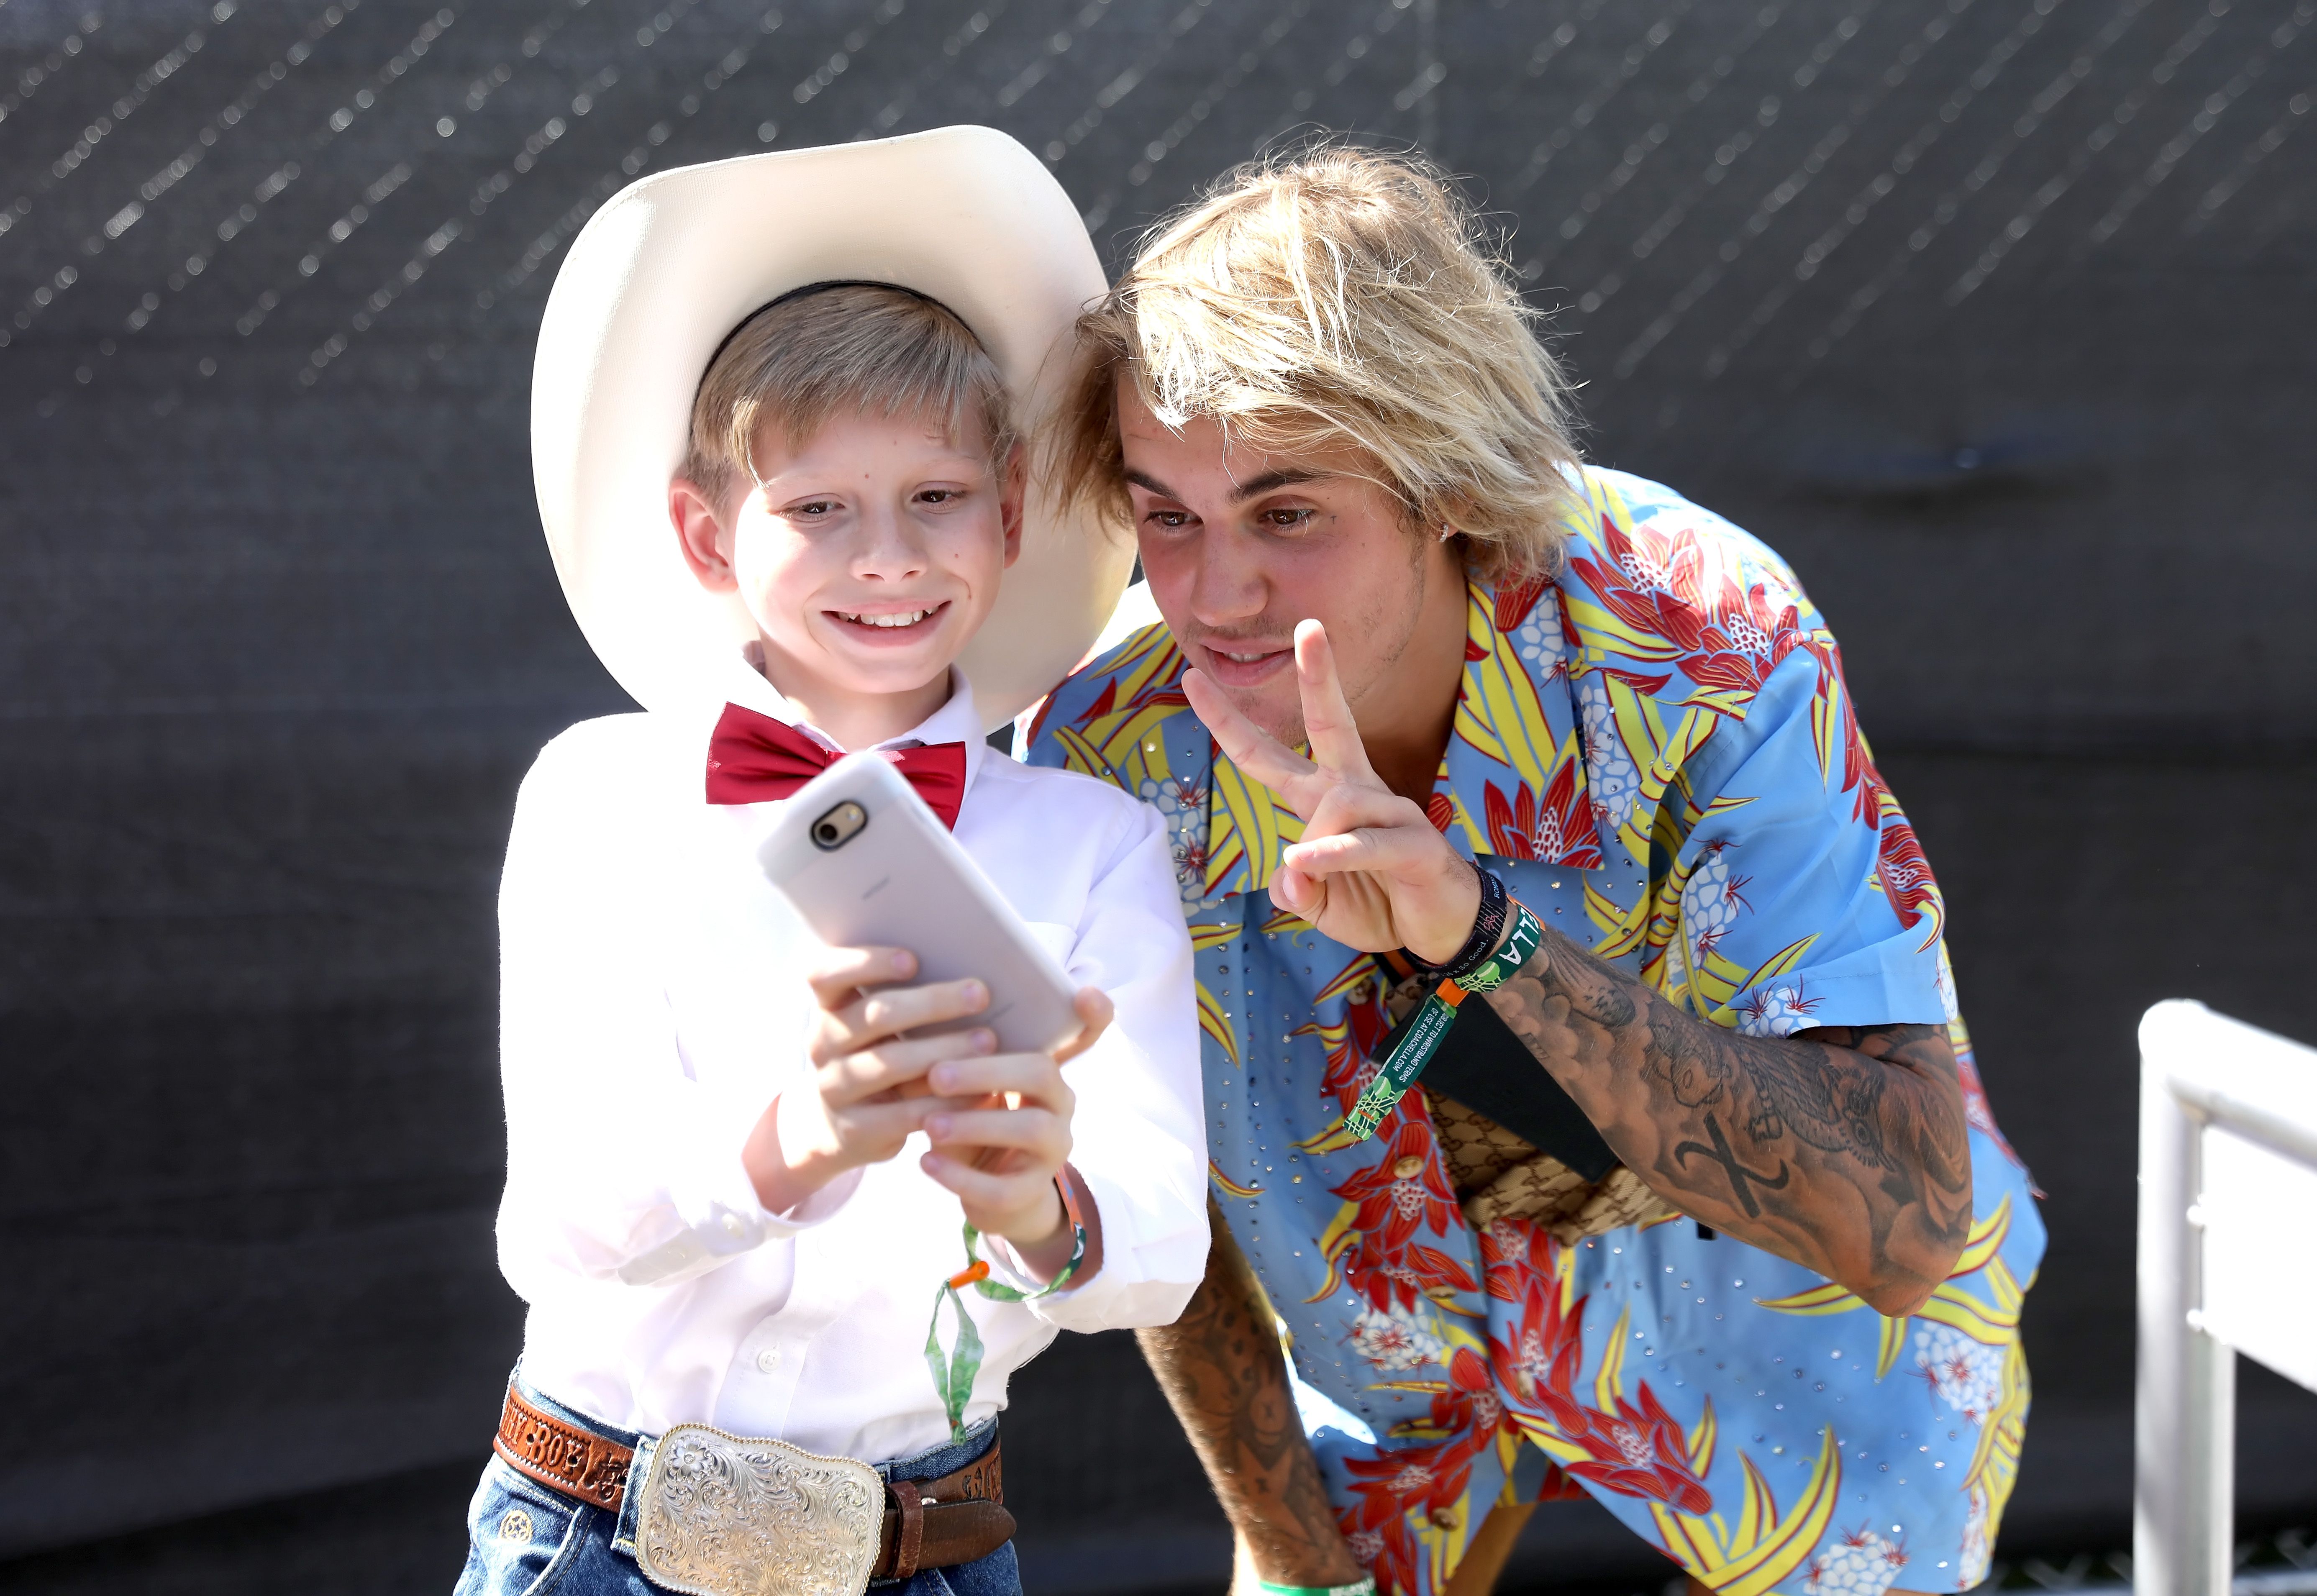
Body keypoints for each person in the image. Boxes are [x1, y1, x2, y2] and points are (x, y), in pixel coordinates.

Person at [1025, 145, 2045, 1596]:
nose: (1212, 594)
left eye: (1287, 512)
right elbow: (1154, 1196)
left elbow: (1899, 1220)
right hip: (1391, 1387)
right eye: (1166, 515)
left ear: (1445, 479)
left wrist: (1476, 938)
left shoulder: (1700, 644)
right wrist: (1296, 1556)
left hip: (1791, 1364)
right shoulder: (1114, 743)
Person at [455, 128, 1209, 1596]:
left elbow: (1157, 1249)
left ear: (1008, 515)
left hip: (929, 1549)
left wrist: (1040, 1202)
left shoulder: (1093, 843)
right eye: (815, 509)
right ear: (704, 536)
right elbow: (557, 1228)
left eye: (937, 497)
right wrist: (789, 1140)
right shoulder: (600, 795)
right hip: (590, 1534)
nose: (888, 558)